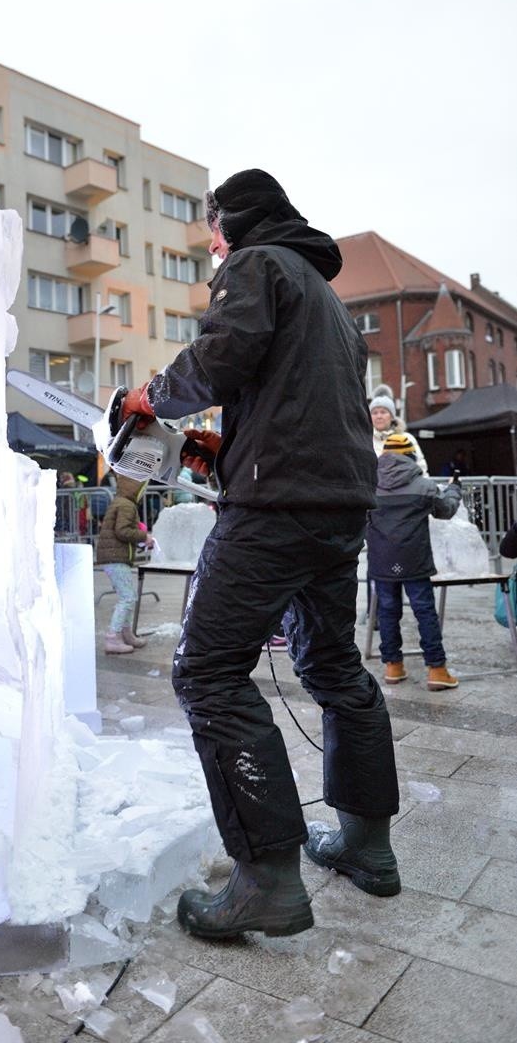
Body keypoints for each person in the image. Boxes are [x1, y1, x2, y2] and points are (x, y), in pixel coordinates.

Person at [120, 169, 401, 940]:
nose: (210, 243)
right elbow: (291, 399)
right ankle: (367, 846)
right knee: (334, 667)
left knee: (207, 672)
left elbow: (218, 359)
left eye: (212, 227)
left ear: (235, 221)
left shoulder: (254, 264)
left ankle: (266, 881)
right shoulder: (323, 296)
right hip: (336, 503)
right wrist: (225, 447)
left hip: (274, 509)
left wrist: (153, 393)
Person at [366, 434, 462, 690]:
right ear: (410, 456)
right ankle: (437, 669)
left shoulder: (369, 483)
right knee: (424, 612)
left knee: (387, 612)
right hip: (414, 559)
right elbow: (446, 510)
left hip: (382, 560)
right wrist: (454, 488)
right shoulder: (423, 485)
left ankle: (393, 666)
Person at [95, 475, 154, 654]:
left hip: (113, 557)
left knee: (128, 596)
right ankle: (113, 637)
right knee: (128, 597)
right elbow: (122, 531)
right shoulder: (127, 505)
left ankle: (126, 634)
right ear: (136, 489)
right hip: (115, 558)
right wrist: (144, 536)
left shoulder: (120, 502)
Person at [369, 394, 428, 474]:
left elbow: (420, 467)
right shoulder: (365, 440)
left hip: (405, 485)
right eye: (374, 413)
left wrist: (423, 486)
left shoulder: (407, 438)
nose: (379, 416)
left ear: (392, 416)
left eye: (383, 412)